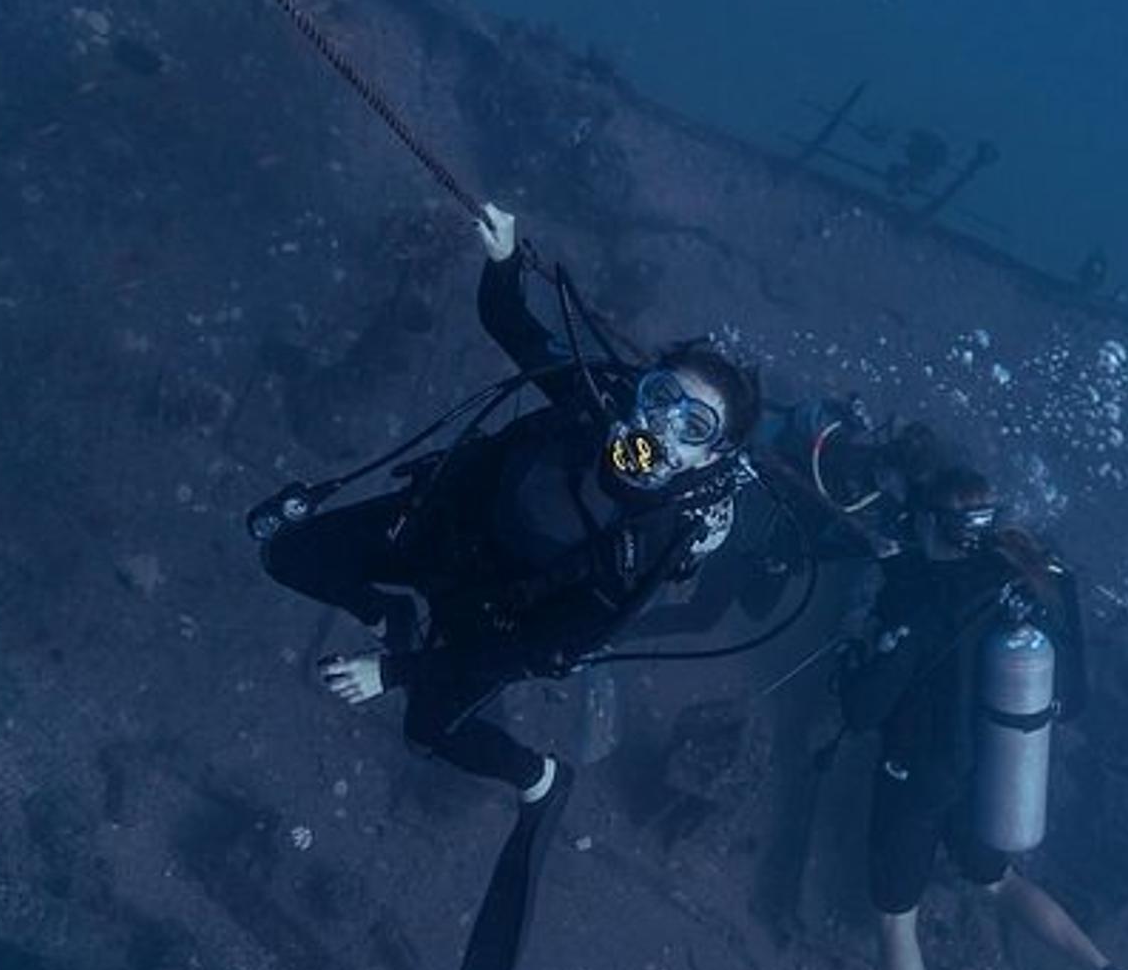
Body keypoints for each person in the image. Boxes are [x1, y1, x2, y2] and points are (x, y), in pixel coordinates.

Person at [261, 201, 760, 818]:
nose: (660, 425)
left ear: (709, 458)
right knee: (287, 553)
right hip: (445, 532)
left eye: (693, 425)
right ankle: (387, 610)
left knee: (428, 730)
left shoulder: (650, 544)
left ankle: (539, 776)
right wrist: (502, 260)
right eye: (661, 397)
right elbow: (512, 325)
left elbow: (534, 653)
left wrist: (393, 671)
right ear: (641, 386)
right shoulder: (594, 401)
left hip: (496, 616)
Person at [838, 465, 1128, 970]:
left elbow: (861, 711)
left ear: (930, 522)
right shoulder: (1025, 578)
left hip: (917, 780)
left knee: (896, 919)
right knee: (998, 884)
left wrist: (859, 646)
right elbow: (1072, 700)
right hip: (993, 778)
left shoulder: (920, 604)